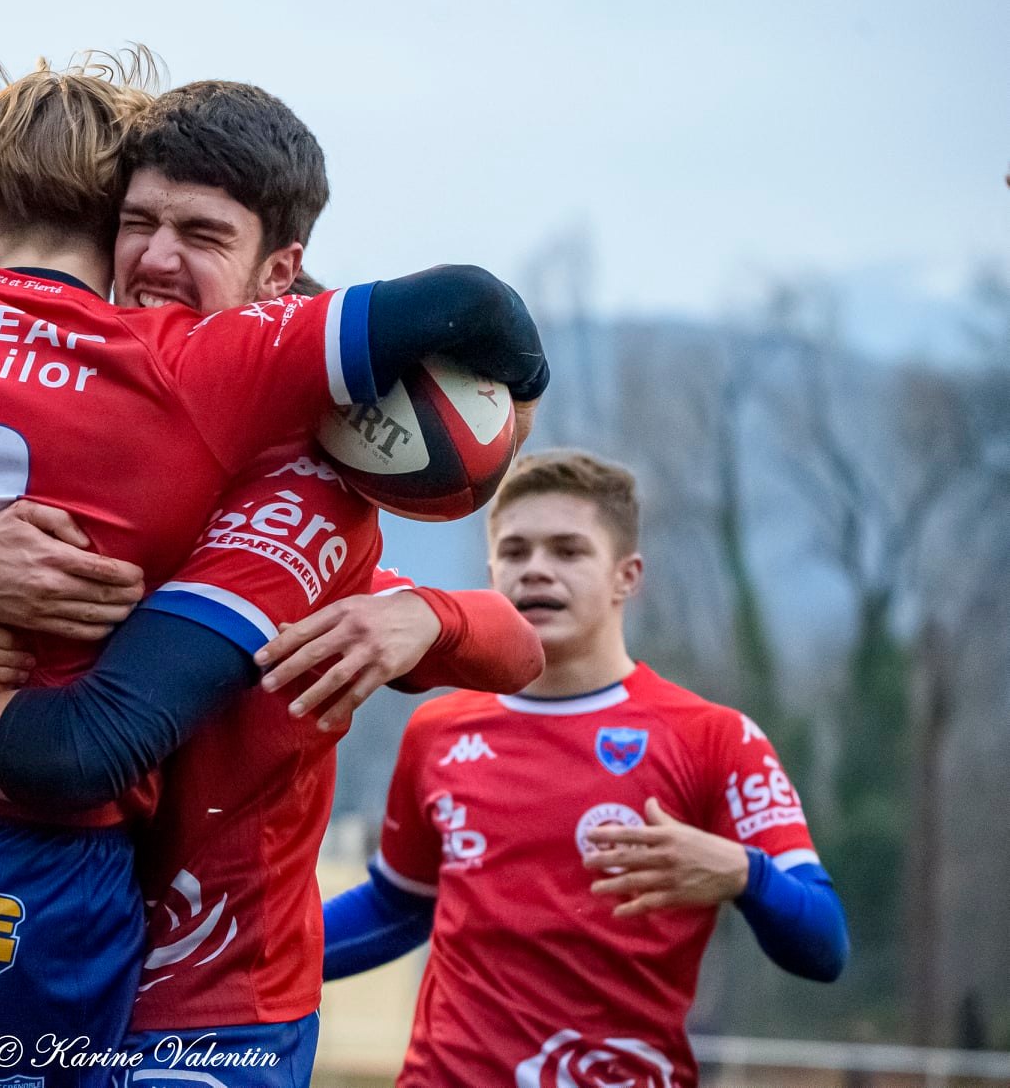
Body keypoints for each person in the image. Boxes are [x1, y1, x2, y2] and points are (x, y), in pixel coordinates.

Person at [0, 55, 548, 1088]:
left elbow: (79, 751)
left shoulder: (299, 495)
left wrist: (430, 619)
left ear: (279, 275)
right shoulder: (86, 420)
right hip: (24, 948)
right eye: (137, 224)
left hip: (203, 1013)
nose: (155, 259)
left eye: (202, 236)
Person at [322, 450, 849, 1088]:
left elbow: (825, 947)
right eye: (515, 552)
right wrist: (239, 961)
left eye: (568, 551)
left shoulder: (715, 739)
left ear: (627, 576)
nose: (536, 570)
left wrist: (743, 873)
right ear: (492, 570)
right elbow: (399, 907)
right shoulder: (439, 730)